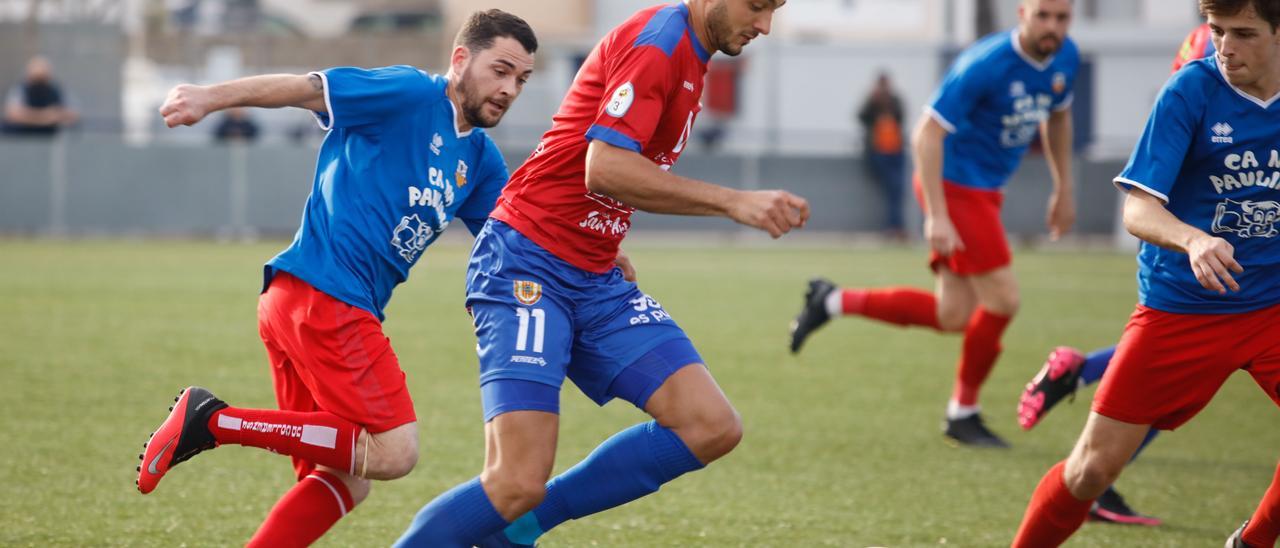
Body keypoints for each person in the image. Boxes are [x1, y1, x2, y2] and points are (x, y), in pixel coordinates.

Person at [393, 1, 807, 546]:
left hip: (592, 272)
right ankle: (510, 515)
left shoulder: (693, 53)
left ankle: (518, 530)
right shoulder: (659, 44)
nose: (764, 26)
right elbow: (605, 165)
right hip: (527, 265)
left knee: (711, 426)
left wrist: (602, 238)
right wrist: (733, 202)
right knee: (516, 480)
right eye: (757, 5)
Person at [134, 10, 537, 546]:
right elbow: (306, 89)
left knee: (346, 479)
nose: (509, 89)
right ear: (461, 58)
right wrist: (211, 97)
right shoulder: (411, 94)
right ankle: (212, 422)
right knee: (395, 452)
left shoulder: (480, 159)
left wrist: (595, 256)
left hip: (299, 302)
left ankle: (216, 431)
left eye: (522, 80)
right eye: (501, 70)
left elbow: (515, 238)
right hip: (326, 296)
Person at [1011, 1, 1280, 545]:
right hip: (1184, 308)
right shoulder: (1190, 90)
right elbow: (1137, 209)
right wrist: (1194, 238)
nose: (1225, 47)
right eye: (1217, 30)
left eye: (1244, 34)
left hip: (1272, 306)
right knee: (1091, 470)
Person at [789, 0, 1078, 448]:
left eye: (1061, 18)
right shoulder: (986, 64)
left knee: (953, 315)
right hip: (953, 186)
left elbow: (1058, 117)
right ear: (1022, 12)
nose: (1052, 27)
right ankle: (963, 412)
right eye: (1043, 15)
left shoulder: (1066, 58)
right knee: (1003, 299)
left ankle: (832, 301)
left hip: (985, 190)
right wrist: (938, 216)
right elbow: (926, 133)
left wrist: (1064, 187)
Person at [857, 71, 907, 239]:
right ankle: (894, 226)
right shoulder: (872, 101)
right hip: (878, 151)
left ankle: (895, 226)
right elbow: (861, 117)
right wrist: (874, 103)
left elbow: (901, 117)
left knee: (896, 189)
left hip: (895, 150)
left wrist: (888, 105)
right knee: (893, 188)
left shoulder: (895, 100)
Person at [2, 56, 78, 136]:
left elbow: (73, 114)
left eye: (42, 78)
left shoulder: (56, 90)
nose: (39, 84)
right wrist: (44, 117)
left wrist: (58, 115)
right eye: (36, 79)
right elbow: (12, 114)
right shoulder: (21, 89)